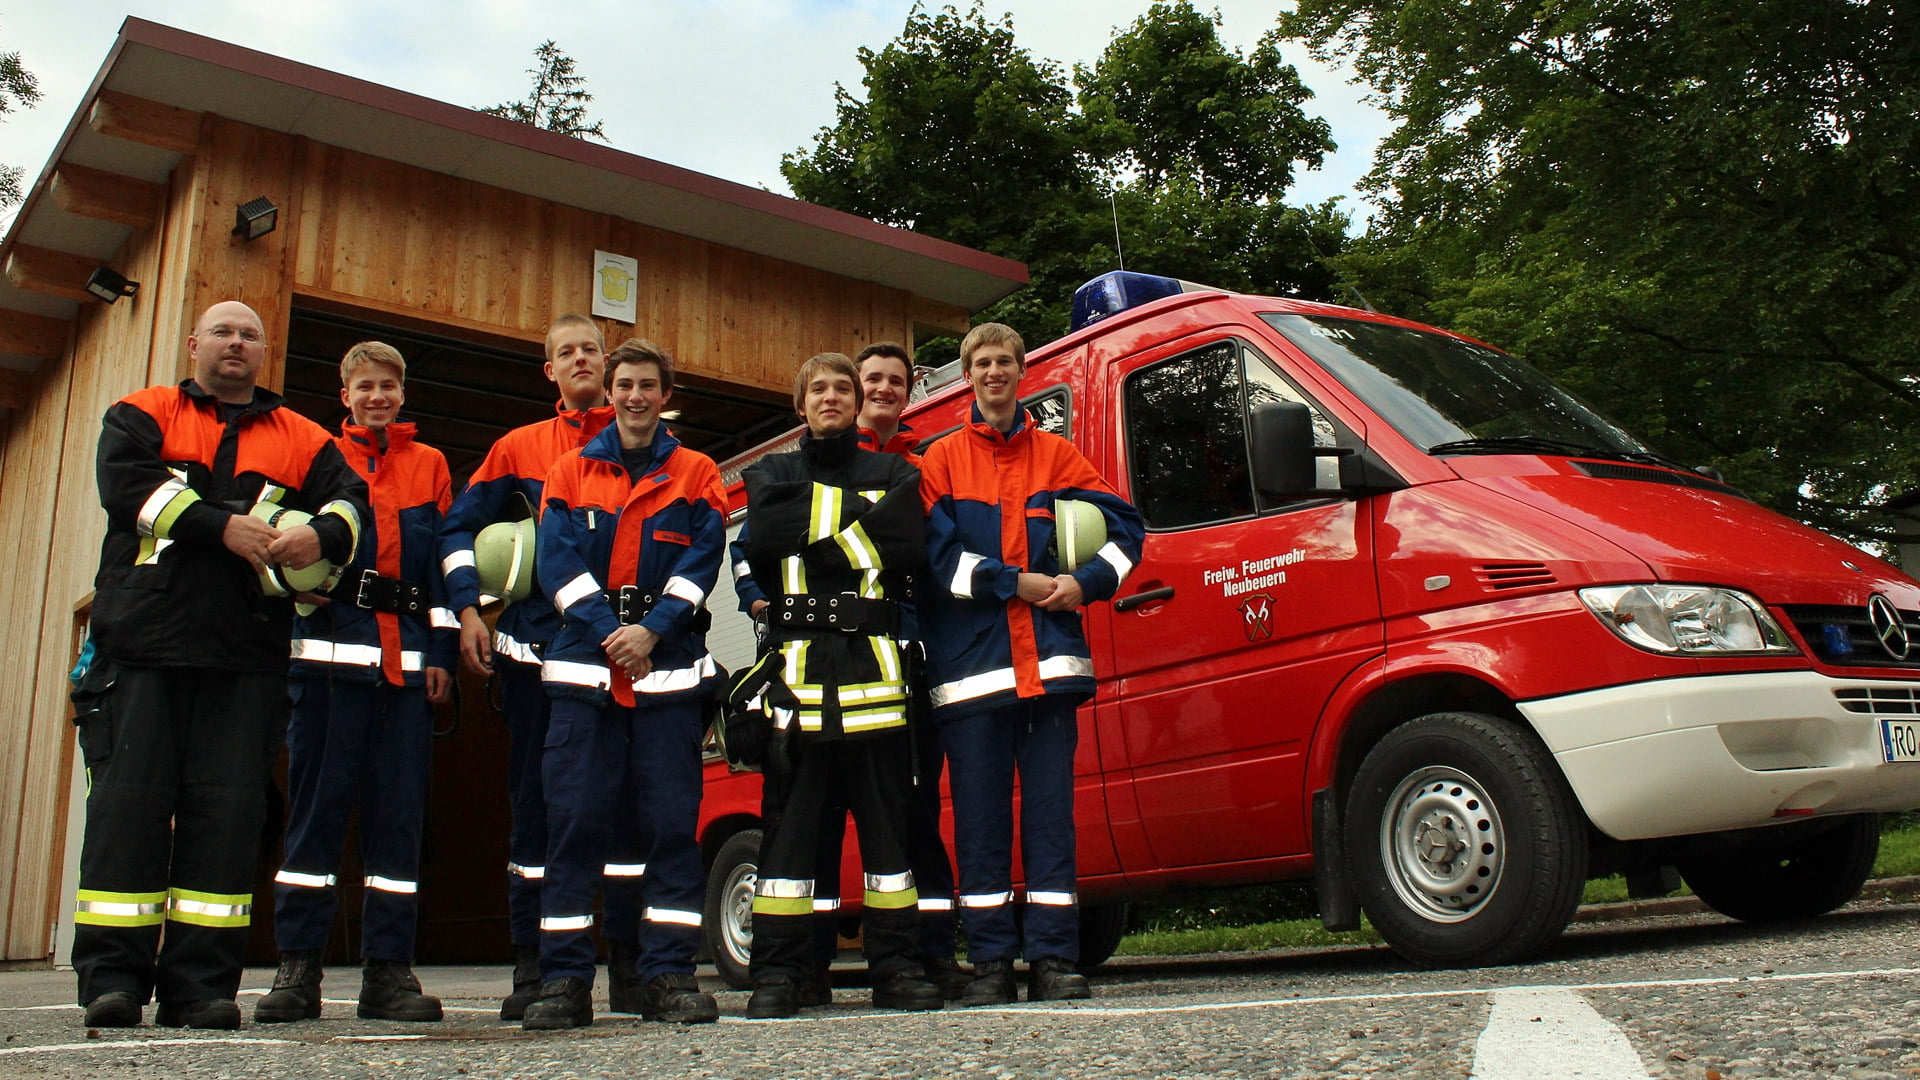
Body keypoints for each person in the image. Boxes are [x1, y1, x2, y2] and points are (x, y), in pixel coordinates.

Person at [71, 300, 367, 1030]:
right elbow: (127, 488)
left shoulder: (302, 434)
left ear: (265, 352)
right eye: (224, 332)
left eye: (251, 335)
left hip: (245, 660)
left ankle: (201, 987)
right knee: (126, 817)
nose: (237, 344)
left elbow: (352, 501)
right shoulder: (141, 412)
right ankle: (112, 981)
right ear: (195, 342)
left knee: (227, 823)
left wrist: (323, 536)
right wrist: (222, 526)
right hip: (142, 650)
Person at [917, 322, 1144, 1005]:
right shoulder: (940, 461)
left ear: (1021, 372)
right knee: (980, 823)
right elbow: (936, 562)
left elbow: (1127, 533)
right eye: (981, 363)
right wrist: (1009, 582)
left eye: (1004, 362)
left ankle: (1053, 959)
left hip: (1047, 669)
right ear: (968, 375)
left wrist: (1087, 583)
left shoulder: (1059, 455)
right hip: (972, 675)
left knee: (1050, 818)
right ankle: (988, 963)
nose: (993, 373)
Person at [437, 315, 646, 1017]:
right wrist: (469, 609)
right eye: (567, 352)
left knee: (624, 813)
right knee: (538, 811)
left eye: (591, 349)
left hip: (621, 661)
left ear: (610, 366)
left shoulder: (649, 447)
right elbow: (455, 526)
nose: (581, 359)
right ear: (549, 371)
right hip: (536, 663)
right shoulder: (517, 448)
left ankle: (632, 966)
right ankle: (536, 969)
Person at [521, 338, 726, 1029]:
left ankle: (666, 976)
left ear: (666, 396)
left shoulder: (698, 473)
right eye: (625, 385)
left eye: (648, 386)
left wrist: (653, 631)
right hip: (585, 676)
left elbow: (702, 565)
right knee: (575, 828)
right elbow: (556, 564)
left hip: (666, 679)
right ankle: (565, 982)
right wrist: (613, 630)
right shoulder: (568, 471)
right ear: (609, 394)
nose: (636, 396)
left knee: (670, 830)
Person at [733, 352, 942, 1019]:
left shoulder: (897, 471)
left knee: (889, 838)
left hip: (875, 676)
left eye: (840, 389)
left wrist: (814, 529)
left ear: (857, 404)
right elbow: (764, 534)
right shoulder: (770, 473)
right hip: (797, 681)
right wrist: (859, 520)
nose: (830, 397)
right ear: (800, 405)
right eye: (817, 389)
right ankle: (782, 973)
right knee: (789, 840)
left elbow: (905, 543)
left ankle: (898, 968)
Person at [254, 341, 454, 1024]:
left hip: (404, 673)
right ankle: (298, 969)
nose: (378, 397)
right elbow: (275, 544)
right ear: (345, 395)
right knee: (315, 819)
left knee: (397, 824)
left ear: (403, 393)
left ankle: (388, 973)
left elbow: (441, 572)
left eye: (389, 387)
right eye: (365, 386)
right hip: (329, 664)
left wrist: (443, 655)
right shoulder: (314, 457)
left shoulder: (430, 465)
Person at [782, 342, 971, 1001]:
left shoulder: (925, 464)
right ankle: (808, 963)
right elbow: (784, 544)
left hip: (911, 661)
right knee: (818, 814)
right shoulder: (820, 463)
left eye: (895, 380)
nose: (884, 389)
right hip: (825, 663)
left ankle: (929, 956)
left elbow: (925, 555)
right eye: (873, 379)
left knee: (910, 811)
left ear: (907, 389)